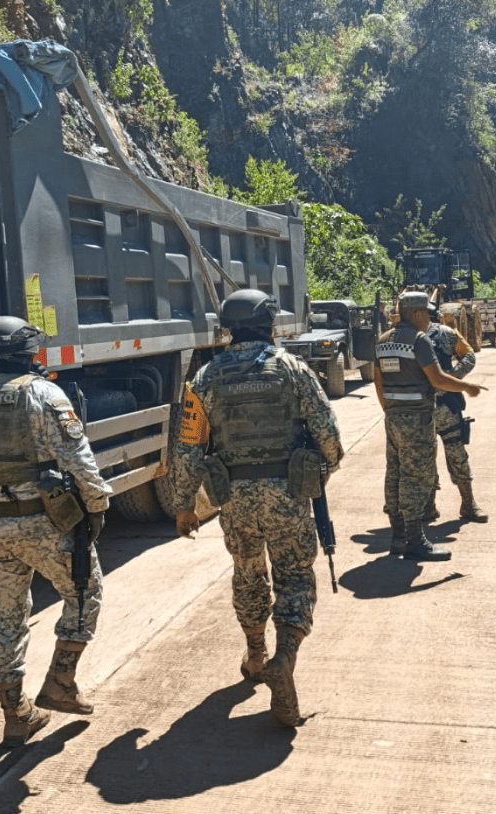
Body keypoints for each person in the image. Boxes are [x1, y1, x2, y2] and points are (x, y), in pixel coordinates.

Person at [172, 289, 344, 728]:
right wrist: (327, 467)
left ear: (229, 328)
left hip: (235, 499)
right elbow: (326, 430)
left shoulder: (206, 377)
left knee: (248, 572)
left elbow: (188, 448)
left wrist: (184, 505)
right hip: (287, 491)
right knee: (294, 576)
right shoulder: (292, 368)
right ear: (270, 325)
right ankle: (284, 659)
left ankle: (254, 654)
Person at [0, 316, 111, 748]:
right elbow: (78, 458)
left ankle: (16, 714)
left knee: (4, 621)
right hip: (46, 523)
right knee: (84, 595)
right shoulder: (43, 393)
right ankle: (61, 682)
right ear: (28, 352)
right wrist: (97, 505)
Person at [375, 291, 485, 561]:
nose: (429, 316)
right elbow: (437, 379)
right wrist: (466, 386)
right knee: (418, 475)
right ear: (416, 314)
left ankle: (399, 535)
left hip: (397, 417)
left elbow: (378, 381)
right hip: (420, 415)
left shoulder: (382, 340)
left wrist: (389, 409)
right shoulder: (419, 339)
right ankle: (415, 538)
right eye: (425, 312)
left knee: (396, 472)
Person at [421, 309, 490, 523]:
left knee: (444, 456)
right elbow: (469, 356)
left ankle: (466, 504)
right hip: (426, 408)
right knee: (433, 458)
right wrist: (457, 376)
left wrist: (455, 377)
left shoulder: (445, 333)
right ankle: (432, 506)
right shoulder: (411, 337)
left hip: (441, 407)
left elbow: (468, 355)